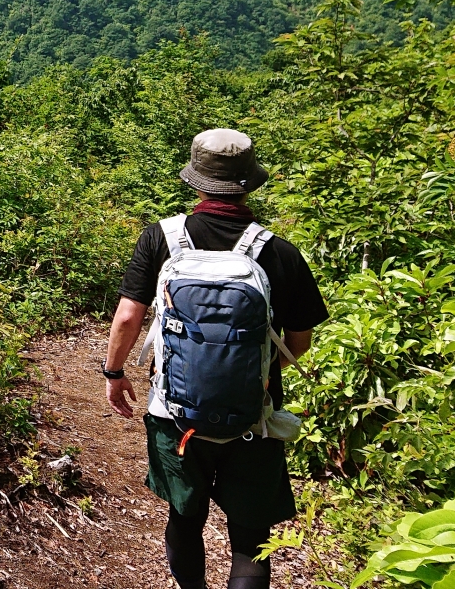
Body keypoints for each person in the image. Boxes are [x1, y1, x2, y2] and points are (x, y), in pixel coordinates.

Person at [101, 128, 328, 589]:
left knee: (185, 517)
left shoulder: (161, 238)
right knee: (250, 536)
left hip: (176, 415)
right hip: (255, 417)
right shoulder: (278, 252)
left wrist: (115, 372)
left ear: (197, 180)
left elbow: (128, 317)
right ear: (248, 182)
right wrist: (255, 373)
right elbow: (299, 342)